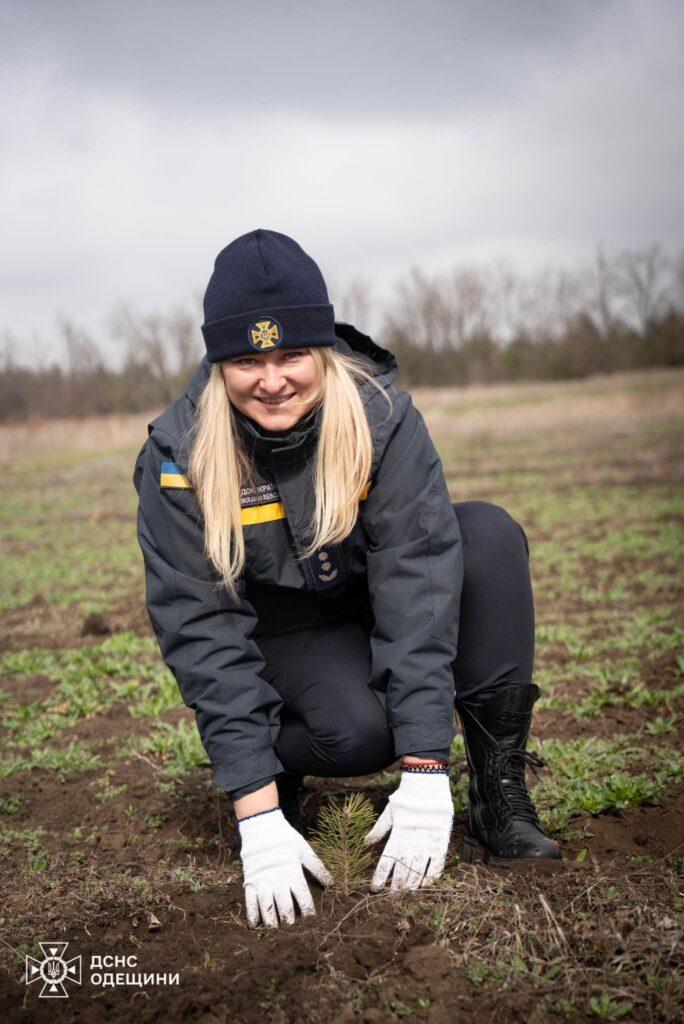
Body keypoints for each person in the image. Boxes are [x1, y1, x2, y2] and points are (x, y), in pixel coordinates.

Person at [133, 229, 561, 930]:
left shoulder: (380, 415)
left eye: (291, 353)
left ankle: (498, 794)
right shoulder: (179, 456)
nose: (271, 380)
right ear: (218, 363)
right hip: (285, 630)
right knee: (360, 735)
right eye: (246, 359)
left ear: (321, 349)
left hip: (363, 600)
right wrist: (256, 809)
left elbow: (417, 576)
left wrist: (425, 768)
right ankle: (276, 767)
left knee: (484, 535)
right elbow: (202, 629)